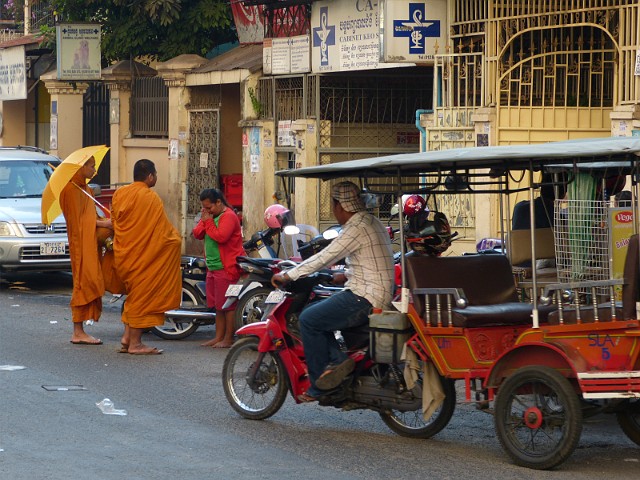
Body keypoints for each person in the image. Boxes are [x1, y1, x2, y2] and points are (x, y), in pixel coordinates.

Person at [271, 181, 395, 402]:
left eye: (333, 205)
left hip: (365, 296)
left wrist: (289, 275)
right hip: (376, 290)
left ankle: (322, 384)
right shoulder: (371, 221)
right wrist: (345, 274)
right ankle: (338, 361)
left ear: (340, 205)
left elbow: (325, 257)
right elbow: (368, 261)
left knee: (308, 319)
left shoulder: (356, 227)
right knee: (318, 313)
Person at [111, 159, 182, 355]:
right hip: (144, 258)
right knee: (142, 298)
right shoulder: (151, 198)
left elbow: (115, 222)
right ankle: (136, 344)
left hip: (125, 256)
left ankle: (127, 338)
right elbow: (162, 232)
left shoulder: (120, 194)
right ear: (150, 176)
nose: (156, 177)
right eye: (156, 174)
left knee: (134, 297)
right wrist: (175, 239)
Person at [59, 156, 112, 345]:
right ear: (81, 167)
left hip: (91, 242)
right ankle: (78, 331)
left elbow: (91, 215)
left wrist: (106, 221)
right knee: (84, 282)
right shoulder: (69, 190)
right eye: (91, 166)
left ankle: (80, 330)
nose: (94, 171)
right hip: (80, 244)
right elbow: (77, 222)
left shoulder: (86, 190)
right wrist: (103, 223)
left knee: (93, 280)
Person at [192, 188, 245, 348]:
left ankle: (228, 339)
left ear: (219, 202)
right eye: (204, 208)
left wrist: (207, 221)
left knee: (228, 305)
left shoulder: (228, 216)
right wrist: (205, 219)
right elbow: (197, 233)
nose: (207, 211)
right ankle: (218, 337)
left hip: (226, 266)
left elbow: (221, 237)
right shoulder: (210, 216)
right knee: (218, 305)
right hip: (213, 267)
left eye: (209, 207)